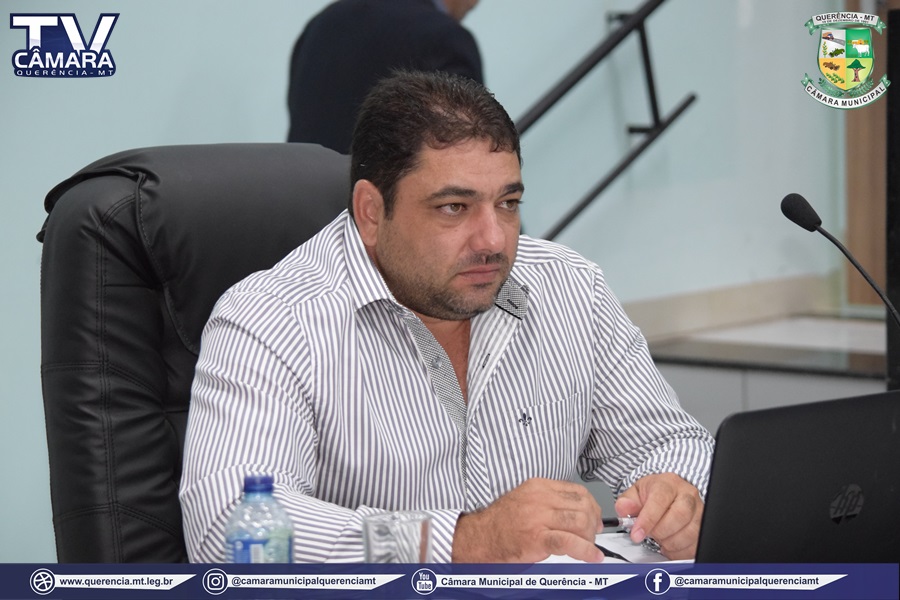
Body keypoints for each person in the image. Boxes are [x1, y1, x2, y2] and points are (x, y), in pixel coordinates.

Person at [181, 70, 714, 563]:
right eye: (454, 208)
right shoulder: (273, 318)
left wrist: (673, 493)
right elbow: (228, 526)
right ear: (371, 212)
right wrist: (461, 541)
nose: (493, 240)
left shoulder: (570, 288)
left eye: (507, 203)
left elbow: (668, 441)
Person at [286, 0, 482, 153]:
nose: (476, 3)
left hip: (303, 188)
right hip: (381, 191)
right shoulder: (446, 37)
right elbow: (464, 145)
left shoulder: (321, 24)